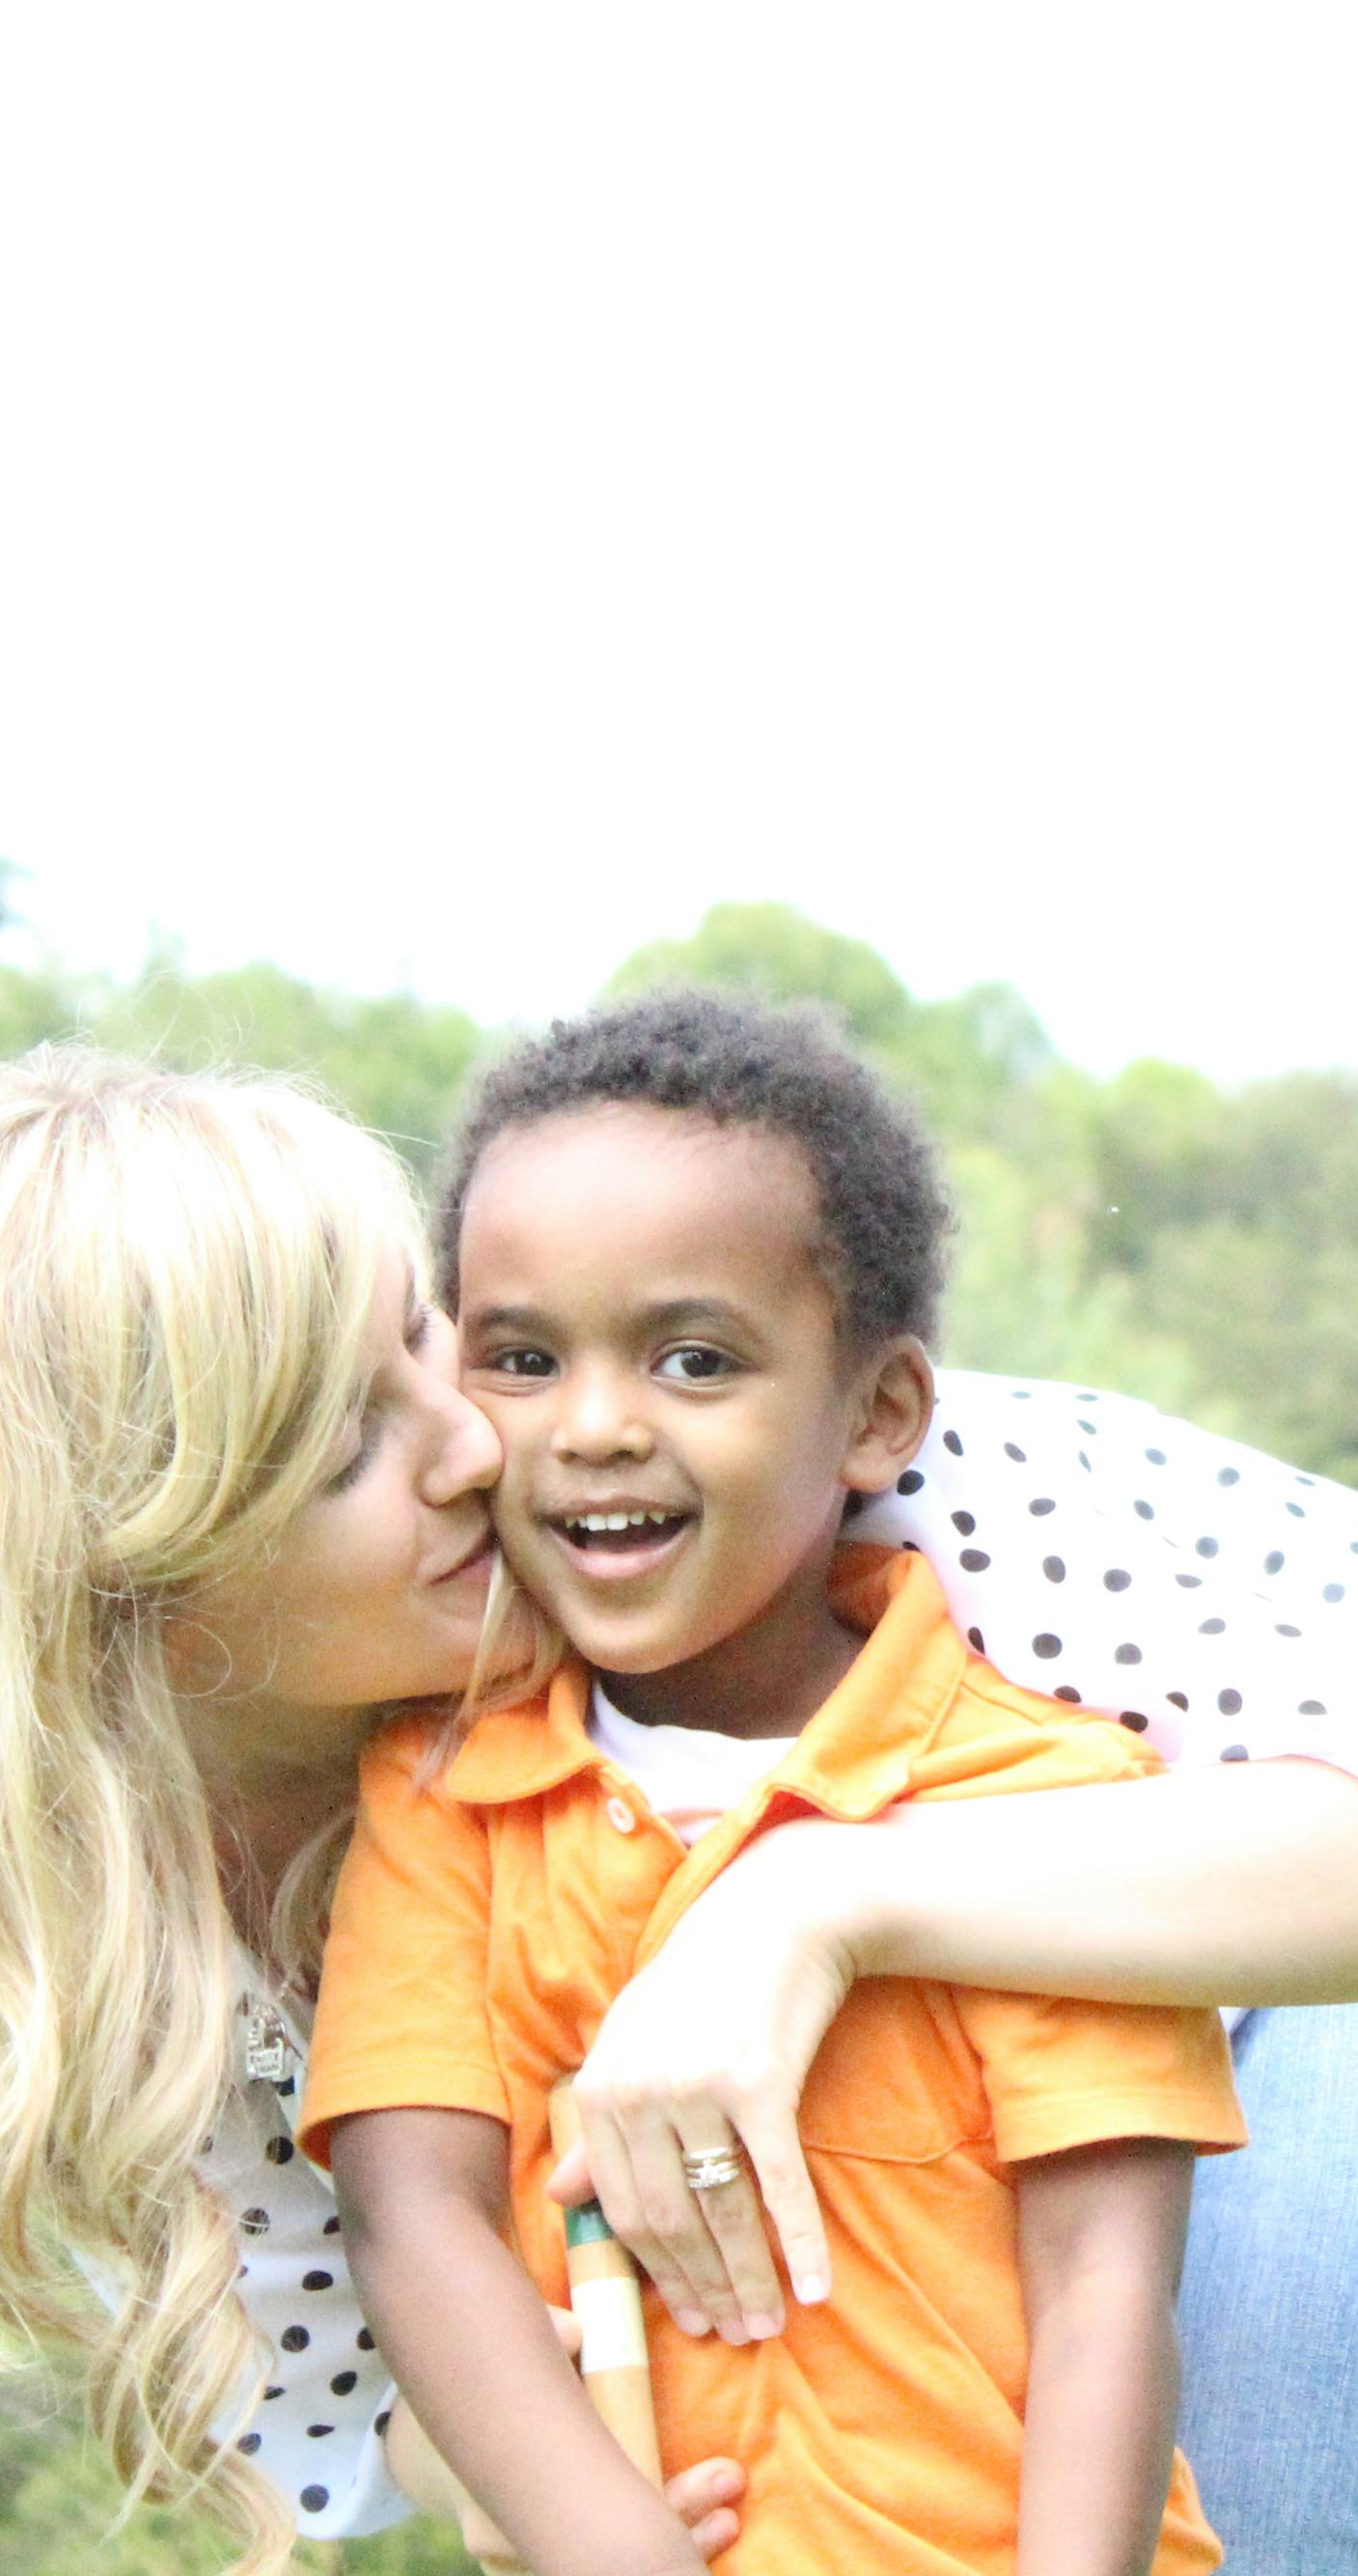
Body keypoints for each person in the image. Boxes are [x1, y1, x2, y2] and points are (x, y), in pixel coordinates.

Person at [0, 1040, 1358, 2575]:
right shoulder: (68, 1959)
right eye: (354, 1444)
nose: (494, 1440)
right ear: (128, 1597)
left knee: (1237, 2513)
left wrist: (813, 1909)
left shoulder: (827, 1499)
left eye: (427, 1340)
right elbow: (373, 2412)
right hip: (882, 2150)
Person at [315, 995, 1240, 2576]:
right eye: (523, 1358)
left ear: (876, 1414)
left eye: (693, 1359)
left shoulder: (1050, 1802)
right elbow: (420, 2224)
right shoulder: (446, 1791)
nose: (596, 1429)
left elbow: (1106, 2287)